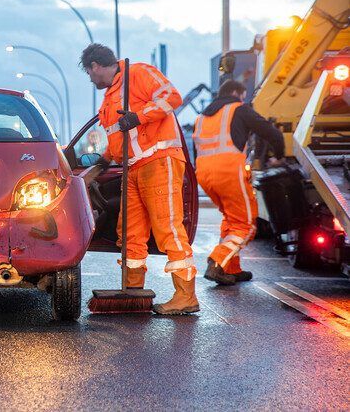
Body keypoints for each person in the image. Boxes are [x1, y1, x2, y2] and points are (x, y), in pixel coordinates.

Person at [80, 43, 199, 315]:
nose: (90, 78)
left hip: (159, 160)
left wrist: (138, 117)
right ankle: (132, 293)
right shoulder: (110, 97)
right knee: (130, 234)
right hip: (133, 168)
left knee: (168, 228)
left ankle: (186, 296)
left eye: (89, 72)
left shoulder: (138, 73)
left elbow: (172, 97)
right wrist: (103, 160)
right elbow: (117, 136)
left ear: (95, 66)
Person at [194, 79, 284, 285]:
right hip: (229, 172)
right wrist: (278, 155)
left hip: (205, 174)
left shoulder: (202, 117)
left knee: (232, 219)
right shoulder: (239, 109)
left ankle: (231, 268)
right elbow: (272, 133)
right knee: (246, 224)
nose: (244, 100)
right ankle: (218, 262)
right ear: (236, 93)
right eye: (243, 96)